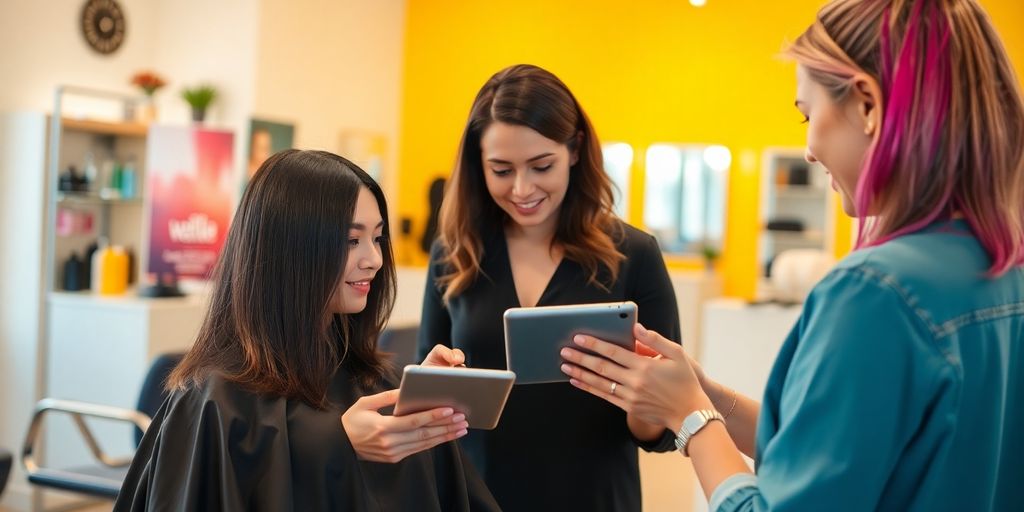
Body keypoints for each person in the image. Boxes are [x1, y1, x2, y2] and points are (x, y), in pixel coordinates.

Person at [561, 0, 1024, 510]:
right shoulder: (1004, 269)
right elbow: (844, 454)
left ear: (867, 106)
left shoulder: (875, 293)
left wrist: (691, 417)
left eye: (808, 114)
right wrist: (706, 394)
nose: (808, 149)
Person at [115, 150, 499, 511]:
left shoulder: (372, 381)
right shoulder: (213, 405)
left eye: (378, 238)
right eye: (352, 240)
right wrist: (337, 446)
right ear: (289, 251)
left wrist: (419, 402)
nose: (375, 259)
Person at [417, 64, 681, 512]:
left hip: (594, 499)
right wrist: (433, 387)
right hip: (478, 497)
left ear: (574, 149)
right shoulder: (454, 254)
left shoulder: (634, 254)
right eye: (501, 170)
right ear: (478, 165)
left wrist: (644, 395)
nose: (522, 189)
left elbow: (662, 429)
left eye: (541, 166)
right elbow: (426, 392)